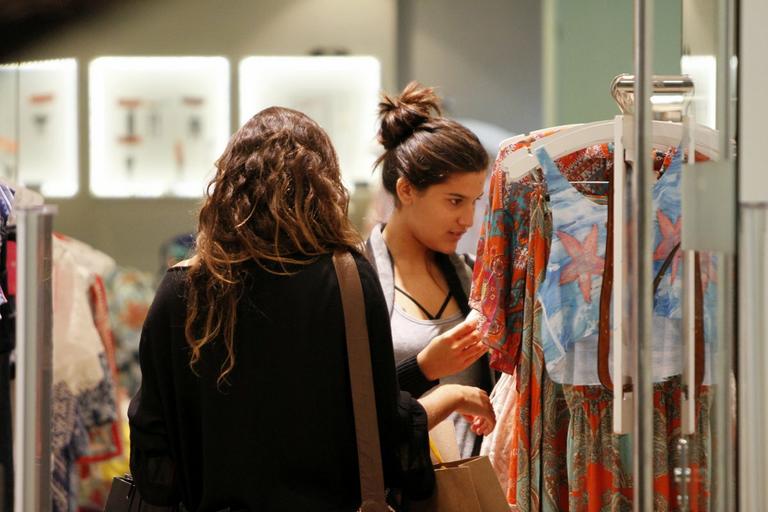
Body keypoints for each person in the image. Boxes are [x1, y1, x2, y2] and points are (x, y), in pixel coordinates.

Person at [128, 106, 496, 512]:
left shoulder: (183, 288)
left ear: (229, 184)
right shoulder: (348, 281)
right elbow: (382, 432)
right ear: (323, 186)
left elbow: (153, 453)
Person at [366, 82, 495, 459]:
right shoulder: (357, 281)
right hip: (397, 489)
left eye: (475, 202)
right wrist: (422, 369)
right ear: (406, 190)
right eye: (454, 201)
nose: (468, 219)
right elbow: (345, 409)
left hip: (472, 485)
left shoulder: (473, 279)